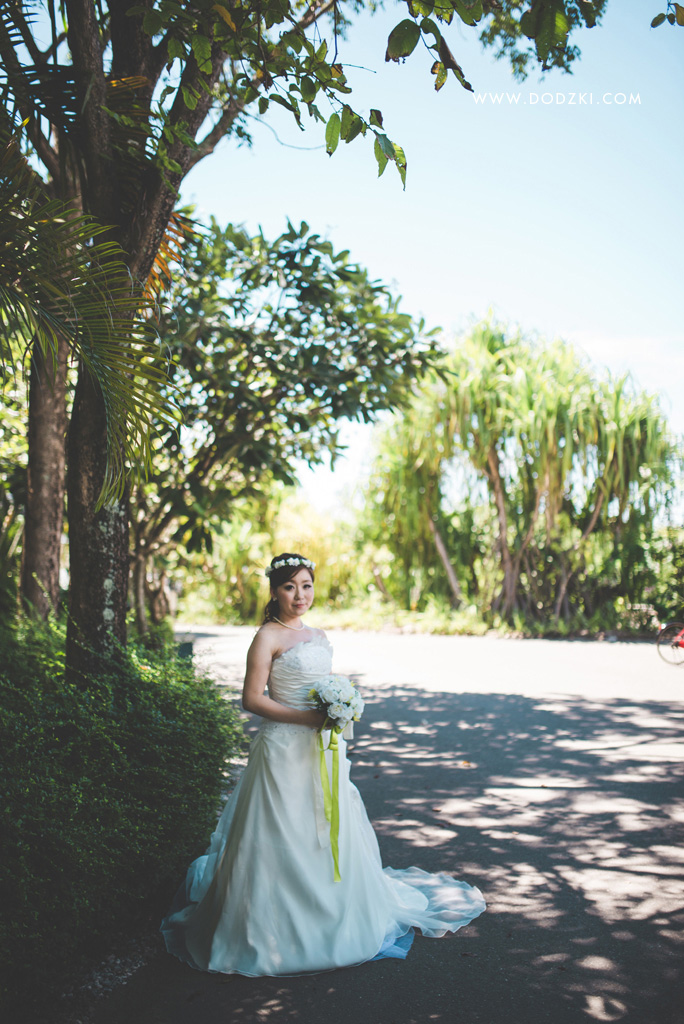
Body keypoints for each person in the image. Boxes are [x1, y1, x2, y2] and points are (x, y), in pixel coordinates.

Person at [161, 552, 485, 976]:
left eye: (307, 585)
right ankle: (270, 929)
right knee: (281, 830)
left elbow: (322, 688)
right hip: (282, 750)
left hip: (323, 749)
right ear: (275, 591)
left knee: (326, 824)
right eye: (290, 587)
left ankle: (334, 914)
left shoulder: (319, 635)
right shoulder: (266, 637)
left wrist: (338, 710)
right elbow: (252, 699)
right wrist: (309, 719)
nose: (300, 595)